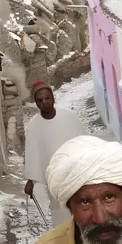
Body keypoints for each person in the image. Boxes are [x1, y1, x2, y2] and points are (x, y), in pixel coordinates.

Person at [23, 81, 85, 226]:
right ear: (36, 103)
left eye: (47, 98)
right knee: (60, 212)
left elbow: (84, 142)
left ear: (53, 98)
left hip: (76, 173)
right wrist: (30, 181)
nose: (44, 102)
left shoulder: (70, 117)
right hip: (54, 178)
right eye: (40, 100)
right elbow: (33, 153)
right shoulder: (33, 126)